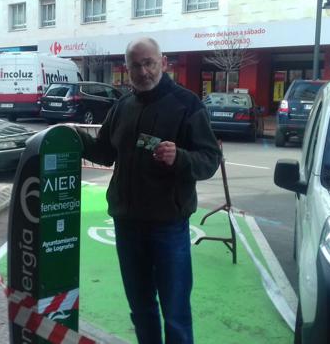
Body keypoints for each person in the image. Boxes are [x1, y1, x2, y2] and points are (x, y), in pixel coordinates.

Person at [74, 37, 221, 344]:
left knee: (175, 312)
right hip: (126, 224)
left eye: (149, 63)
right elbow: (104, 152)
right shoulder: (122, 106)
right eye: (136, 66)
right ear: (127, 70)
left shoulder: (187, 104)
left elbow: (209, 160)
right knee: (140, 308)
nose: (143, 71)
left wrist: (180, 157)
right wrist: (71, 137)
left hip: (168, 226)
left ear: (163, 63)